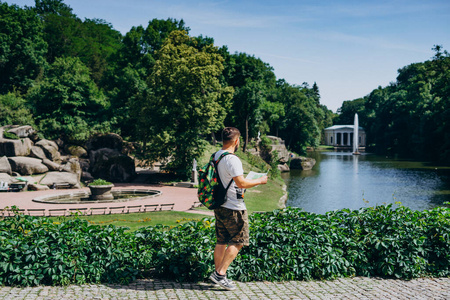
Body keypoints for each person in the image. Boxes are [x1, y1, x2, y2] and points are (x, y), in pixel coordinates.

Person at [209, 127, 268, 290]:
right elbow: (241, 183)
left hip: (220, 204)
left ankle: (219, 275)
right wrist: (260, 181)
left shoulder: (216, 156)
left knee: (221, 240)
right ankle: (220, 274)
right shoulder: (233, 159)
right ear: (236, 141)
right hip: (234, 207)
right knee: (239, 241)